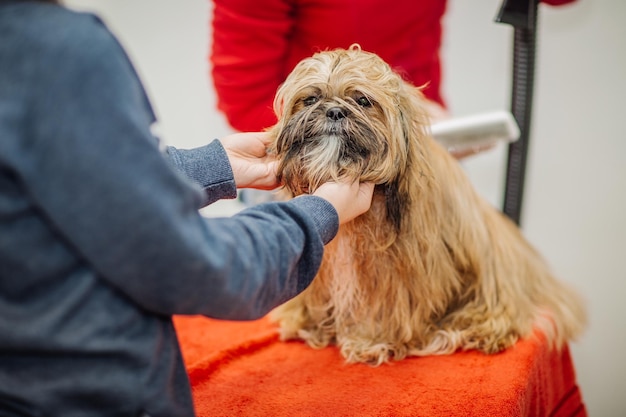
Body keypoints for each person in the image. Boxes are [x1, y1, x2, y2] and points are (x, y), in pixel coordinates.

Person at [0, 1, 373, 416]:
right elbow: (198, 266)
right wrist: (318, 213)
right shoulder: (57, 50)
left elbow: (73, 180)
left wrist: (209, 167)